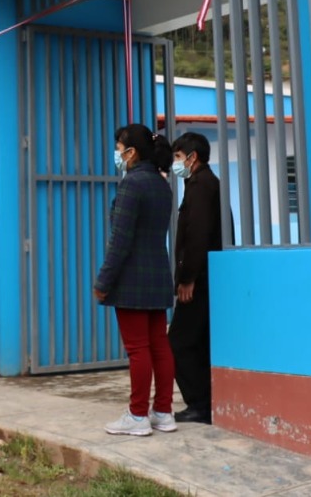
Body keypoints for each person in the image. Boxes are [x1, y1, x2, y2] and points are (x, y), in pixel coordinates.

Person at [95, 124, 177, 437]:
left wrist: (104, 279)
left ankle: (138, 415)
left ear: (131, 152)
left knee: (138, 350)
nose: (117, 153)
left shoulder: (132, 184)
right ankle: (163, 411)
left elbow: (120, 240)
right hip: (158, 274)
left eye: (119, 147)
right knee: (159, 346)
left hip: (132, 279)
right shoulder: (161, 184)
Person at [168, 132, 223, 425]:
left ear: (192, 157)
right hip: (205, 278)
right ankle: (206, 402)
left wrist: (187, 278)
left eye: (178, 157)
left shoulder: (201, 186)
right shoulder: (202, 183)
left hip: (199, 281)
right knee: (198, 342)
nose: (177, 163)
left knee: (179, 341)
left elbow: (197, 235)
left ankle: (200, 403)